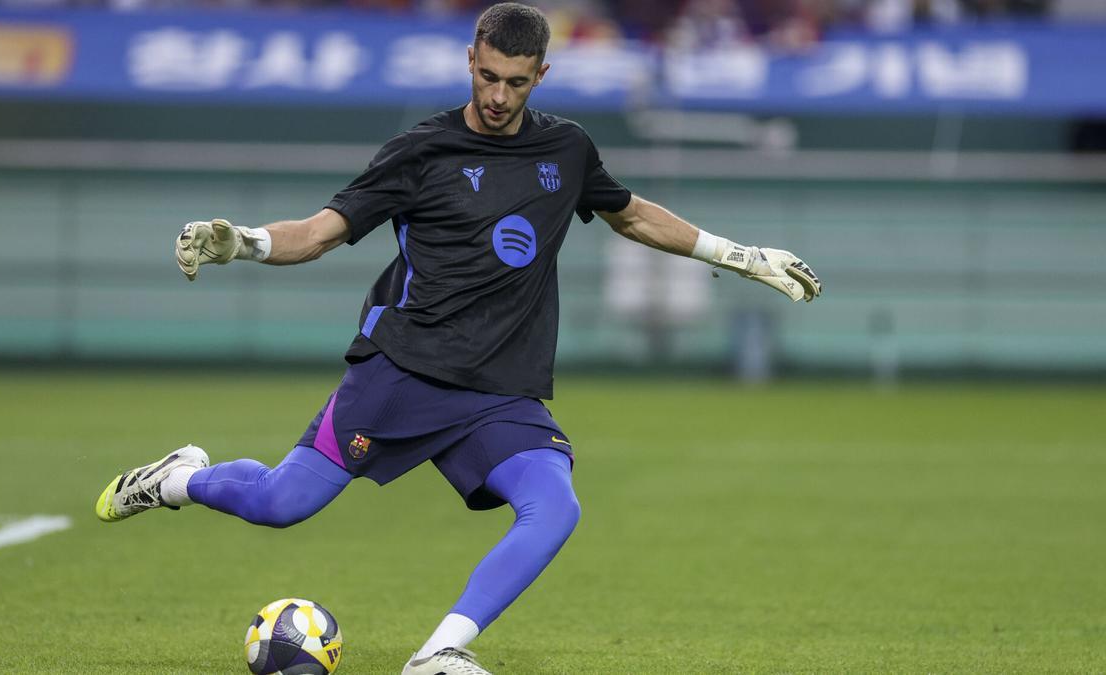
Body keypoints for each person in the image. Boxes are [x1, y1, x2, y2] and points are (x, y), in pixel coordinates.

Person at [94, 4, 822, 674]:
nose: (499, 95)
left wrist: (739, 255)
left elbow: (630, 214)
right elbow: (318, 233)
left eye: (515, 81)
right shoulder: (421, 151)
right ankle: (177, 478)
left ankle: (438, 652)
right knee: (283, 502)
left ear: (542, 74)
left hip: (499, 390)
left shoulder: (567, 151)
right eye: (487, 75)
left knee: (556, 506)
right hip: (403, 370)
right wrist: (245, 242)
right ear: (469, 57)